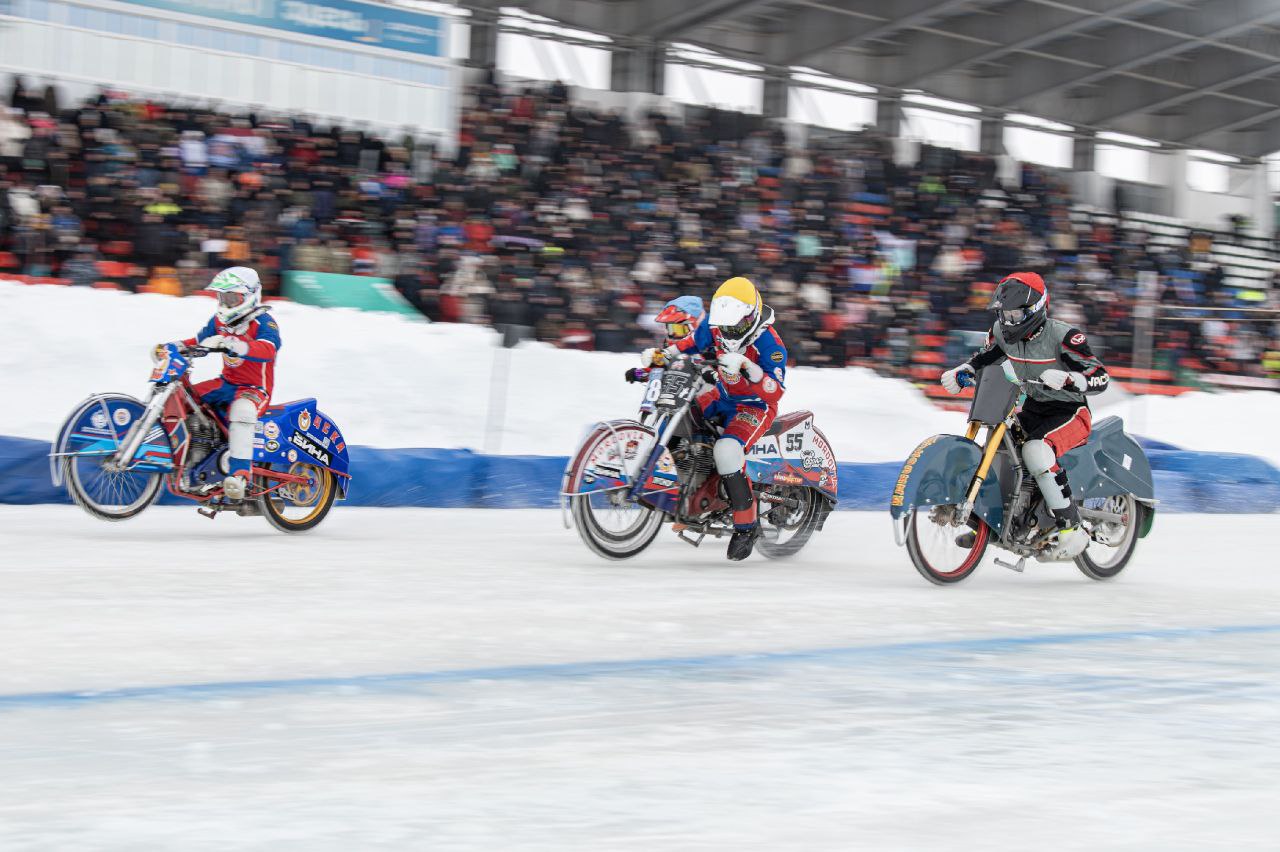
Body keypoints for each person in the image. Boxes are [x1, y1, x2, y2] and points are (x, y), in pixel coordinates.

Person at [940, 272, 1109, 558]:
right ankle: (988, 521)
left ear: (1036, 309)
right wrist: (964, 370)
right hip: (1033, 406)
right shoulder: (1001, 332)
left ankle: (1071, 527)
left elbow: (1100, 376)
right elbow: (985, 358)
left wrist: (1072, 380)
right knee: (1000, 446)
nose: (1009, 320)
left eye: (1016, 314)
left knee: (1036, 451)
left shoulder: (1064, 336)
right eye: (1005, 313)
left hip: (1071, 411)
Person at [646, 278, 786, 561]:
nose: (728, 332)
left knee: (727, 451)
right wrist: (663, 355)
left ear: (750, 316)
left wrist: (748, 367)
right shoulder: (714, 325)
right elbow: (690, 343)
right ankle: (689, 492)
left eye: (734, 326)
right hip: (722, 395)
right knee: (679, 418)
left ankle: (747, 527)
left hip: (755, 407)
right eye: (723, 326)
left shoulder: (770, 343)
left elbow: (776, 390)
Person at [161, 267, 280, 501]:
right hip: (226, 383)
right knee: (183, 397)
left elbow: (268, 349)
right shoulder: (219, 321)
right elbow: (198, 342)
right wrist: (171, 347)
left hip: (254, 389)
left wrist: (232, 344)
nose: (226, 302)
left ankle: (240, 474)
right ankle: (194, 456)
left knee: (242, 411)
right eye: (223, 297)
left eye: (232, 297)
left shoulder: (265, 322)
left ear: (250, 296)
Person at [623, 295, 705, 384]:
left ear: (695, 326)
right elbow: (658, 369)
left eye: (679, 329)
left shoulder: (709, 345)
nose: (674, 333)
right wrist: (639, 374)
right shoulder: (671, 348)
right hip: (676, 392)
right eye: (671, 328)